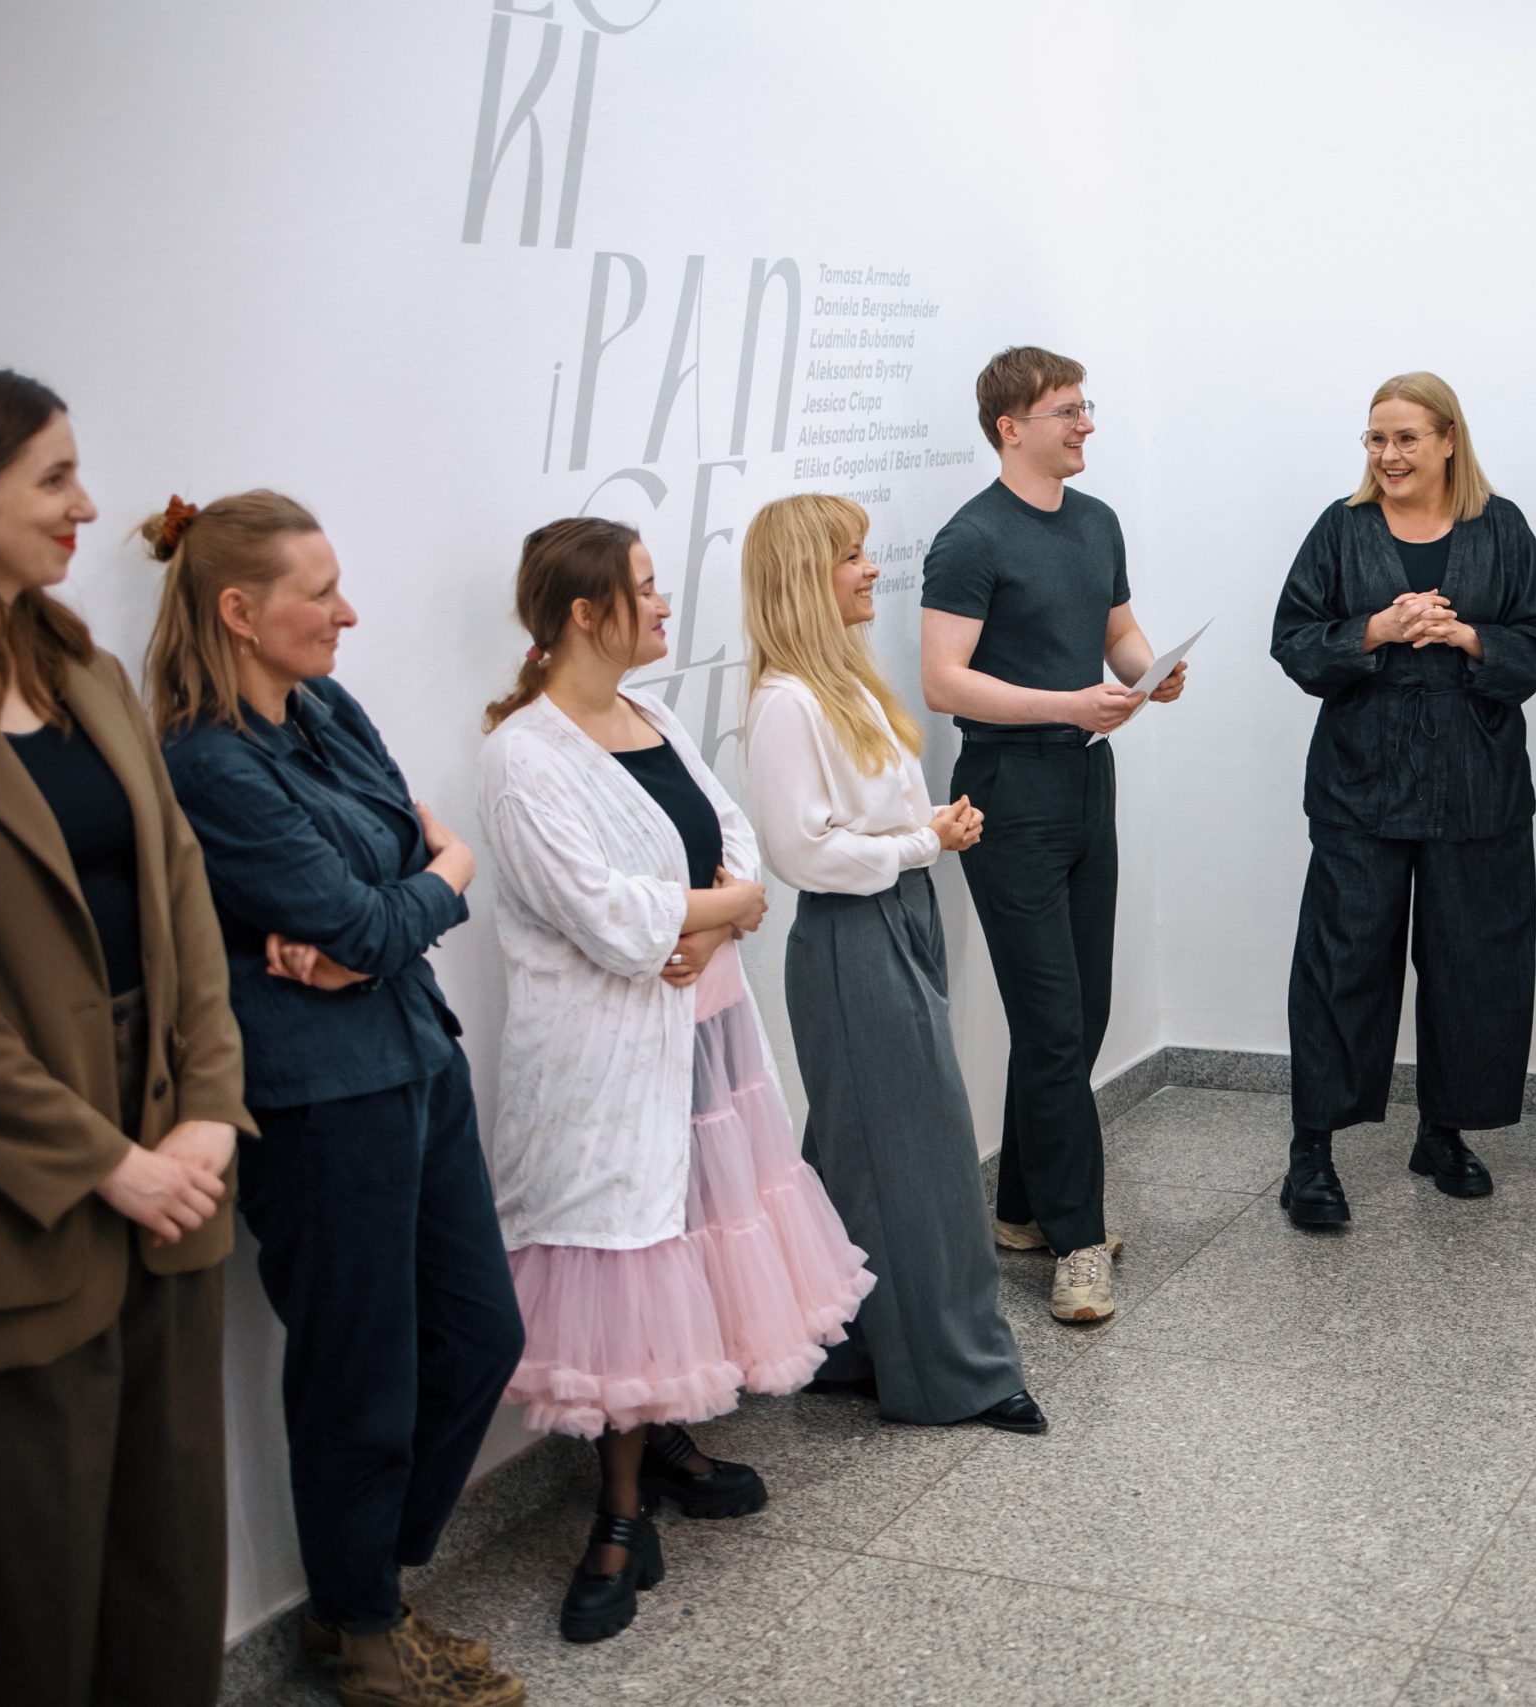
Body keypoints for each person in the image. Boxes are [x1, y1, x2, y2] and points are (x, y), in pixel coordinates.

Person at [150, 491, 526, 1707]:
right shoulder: (206, 762)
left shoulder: (324, 707)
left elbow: (407, 868)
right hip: (317, 1099)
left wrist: (413, 892)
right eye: (319, 594)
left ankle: (361, 1585)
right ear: (238, 610)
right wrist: (414, 896)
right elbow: (378, 904)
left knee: (480, 1336)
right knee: (357, 1371)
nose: (346, 614)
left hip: (413, 1050)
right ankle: (364, 1628)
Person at [476, 516, 875, 1640]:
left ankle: (665, 1443)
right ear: (583, 613)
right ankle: (615, 1515)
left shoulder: (654, 717)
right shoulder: (523, 757)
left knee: (694, 1228)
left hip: (702, 1028)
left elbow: (733, 836)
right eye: (644, 589)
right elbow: (605, 914)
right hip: (606, 1056)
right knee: (630, 1251)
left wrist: (713, 913)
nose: (662, 605)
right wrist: (719, 910)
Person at [0, 365, 246, 1707]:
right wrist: (106, 1161)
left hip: (174, 1168)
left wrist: (208, 1108)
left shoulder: (87, 671)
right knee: (23, 1590)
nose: (87, 505)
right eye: (52, 478)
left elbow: (181, 890)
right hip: (8, 1196)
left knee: (169, 1562)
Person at [742, 493, 1043, 1433]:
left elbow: (864, 822)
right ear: (805, 578)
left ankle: (852, 1347)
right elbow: (801, 854)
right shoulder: (788, 703)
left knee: (860, 1148)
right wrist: (923, 841)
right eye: (851, 556)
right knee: (923, 1160)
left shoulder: (843, 683)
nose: (871, 569)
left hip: (893, 916)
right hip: (852, 933)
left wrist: (927, 829)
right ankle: (961, 1374)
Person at [1269, 371, 1536, 1230]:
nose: (1389, 454)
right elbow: (1292, 640)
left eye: (1406, 437)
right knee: (1342, 963)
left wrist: (1466, 635)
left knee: (1473, 963)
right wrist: (1376, 629)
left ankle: (1443, 1133)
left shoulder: (1499, 527)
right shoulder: (1341, 529)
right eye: (1377, 438)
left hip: (1476, 784)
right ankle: (1311, 1152)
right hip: (1360, 783)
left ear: (1448, 440)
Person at [918, 345, 1184, 1321]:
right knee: (1053, 1022)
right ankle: (1078, 1241)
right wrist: (1067, 702)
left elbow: (1116, 629)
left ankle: (1023, 1209)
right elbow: (943, 680)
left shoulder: (1095, 521)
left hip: (1084, 779)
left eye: (1084, 407)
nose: (1085, 425)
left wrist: (1150, 670)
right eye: (1067, 411)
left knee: (1083, 1011)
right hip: (1007, 791)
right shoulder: (969, 539)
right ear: (1011, 427)